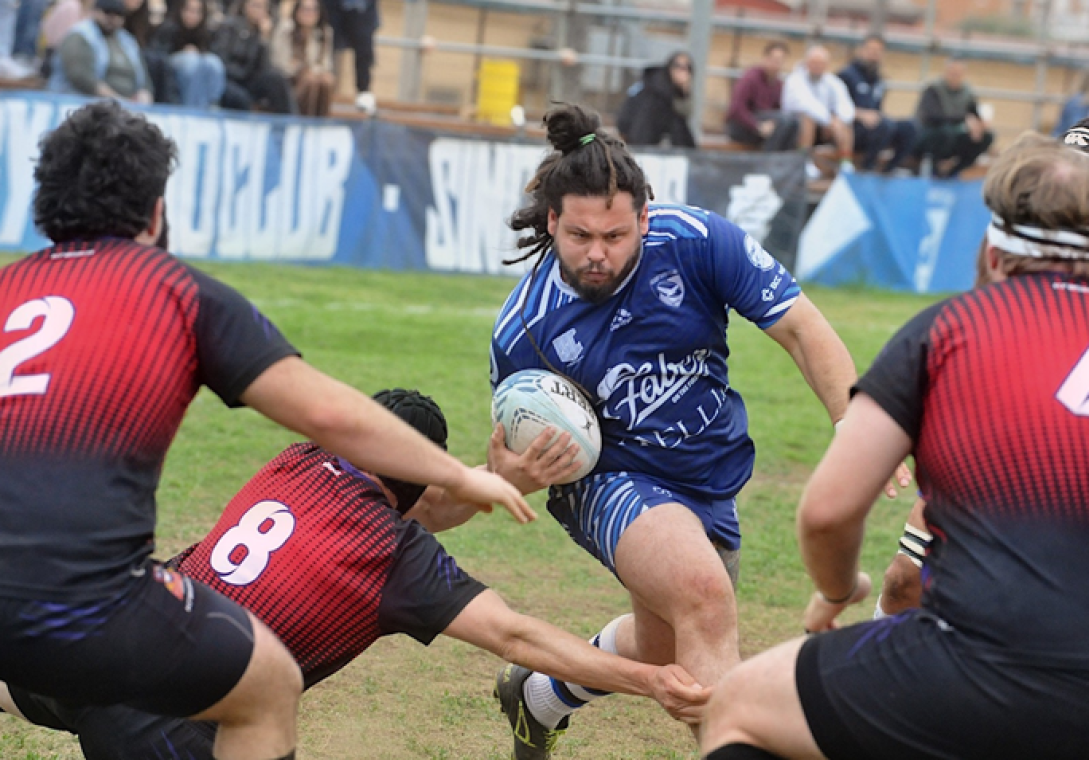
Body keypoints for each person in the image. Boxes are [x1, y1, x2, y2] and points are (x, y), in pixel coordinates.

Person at [0, 100, 527, 760]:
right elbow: (329, 415)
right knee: (270, 679)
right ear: (156, 212)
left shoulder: (9, 287)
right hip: (86, 601)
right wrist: (455, 473)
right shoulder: (177, 291)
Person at [701, 133, 1089, 760]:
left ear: (991, 249)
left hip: (984, 668)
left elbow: (828, 511)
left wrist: (834, 591)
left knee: (739, 707)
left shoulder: (953, 330)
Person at [486, 103, 898, 760]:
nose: (597, 254)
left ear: (644, 221)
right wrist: (515, 473)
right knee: (705, 600)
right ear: (553, 221)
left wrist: (852, 422)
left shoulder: (696, 242)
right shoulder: (527, 332)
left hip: (708, 474)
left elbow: (801, 328)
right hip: (609, 480)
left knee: (670, 642)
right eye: (580, 236)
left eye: (616, 237)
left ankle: (538, 695)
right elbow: (504, 465)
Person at [0, 388, 709, 758]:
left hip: (97, 634)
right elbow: (516, 637)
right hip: (168, 724)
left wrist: (499, 480)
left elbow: (418, 501)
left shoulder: (299, 459)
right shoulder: (395, 557)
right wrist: (651, 679)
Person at [837, 34, 917, 174]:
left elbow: (877, 109)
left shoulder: (879, 79)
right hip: (852, 129)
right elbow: (834, 107)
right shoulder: (846, 75)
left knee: (909, 127)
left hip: (876, 127)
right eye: (871, 49)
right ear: (861, 50)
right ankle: (867, 167)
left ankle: (890, 169)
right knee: (884, 125)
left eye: (878, 51)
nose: (874, 54)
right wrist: (860, 114)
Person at [47, 0, 153, 102]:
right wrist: (117, 100)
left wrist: (144, 95)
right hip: (82, 103)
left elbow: (144, 78)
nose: (112, 18)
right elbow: (80, 77)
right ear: (95, 11)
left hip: (125, 106)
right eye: (107, 12)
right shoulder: (80, 35)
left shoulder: (128, 41)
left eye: (118, 14)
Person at [913, 57, 993, 178]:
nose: (955, 76)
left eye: (958, 73)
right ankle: (938, 168)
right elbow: (933, 117)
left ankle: (955, 170)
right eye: (952, 72)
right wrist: (964, 120)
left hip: (954, 136)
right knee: (945, 132)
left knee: (986, 136)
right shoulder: (934, 89)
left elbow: (974, 113)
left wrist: (980, 125)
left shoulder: (967, 92)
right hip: (931, 134)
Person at [781, 45, 854, 176]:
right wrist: (829, 121)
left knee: (845, 125)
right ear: (807, 62)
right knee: (808, 119)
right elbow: (806, 104)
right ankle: (804, 160)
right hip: (795, 127)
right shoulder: (795, 80)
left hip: (825, 128)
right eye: (814, 63)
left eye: (821, 63)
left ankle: (845, 163)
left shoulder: (832, 82)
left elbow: (846, 105)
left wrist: (838, 119)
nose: (817, 66)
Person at [213, 0, 296, 114]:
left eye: (263, 7)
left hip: (250, 80)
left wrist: (264, 39)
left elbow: (265, 67)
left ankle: (287, 123)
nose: (259, 11)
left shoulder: (262, 32)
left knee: (277, 80)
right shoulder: (229, 26)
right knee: (241, 98)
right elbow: (221, 60)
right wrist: (244, 72)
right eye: (255, 6)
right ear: (245, 6)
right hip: (230, 79)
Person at [724, 40, 798, 152]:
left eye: (780, 61)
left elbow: (776, 110)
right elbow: (736, 109)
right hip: (741, 126)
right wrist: (757, 125)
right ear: (765, 58)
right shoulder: (750, 78)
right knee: (783, 121)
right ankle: (768, 162)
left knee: (794, 122)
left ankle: (784, 161)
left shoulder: (777, 84)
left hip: (764, 125)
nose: (777, 65)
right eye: (774, 60)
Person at [150, 0, 226, 109]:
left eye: (197, 12)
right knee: (190, 61)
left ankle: (212, 106)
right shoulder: (168, 28)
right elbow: (159, 54)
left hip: (199, 63)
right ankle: (189, 108)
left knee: (213, 62)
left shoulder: (205, 32)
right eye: (189, 10)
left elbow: (210, 50)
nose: (192, 15)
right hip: (173, 63)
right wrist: (183, 52)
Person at [615, 51, 697, 148]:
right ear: (669, 68)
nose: (684, 73)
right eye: (679, 67)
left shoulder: (668, 91)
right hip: (643, 148)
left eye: (688, 68)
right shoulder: (657, 93)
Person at [270, 0, 335, 117]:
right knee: (310, 80)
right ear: (297, 11)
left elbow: (326, 64)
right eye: (305, 9)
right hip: (289, 81)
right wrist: (300, 69)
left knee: (326, 80)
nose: (309, 13)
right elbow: (279, 62)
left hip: (315, 77)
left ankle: (321, 121)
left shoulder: (324, 33)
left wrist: (313, 71)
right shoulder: (286, 30)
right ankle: (304, 121)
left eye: (314, 10)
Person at [320, 0, 378, 113]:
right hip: (331, 8)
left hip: (360, 8)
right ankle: (323, 88)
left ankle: (363, 91)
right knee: (326, 40)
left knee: (363, 44)